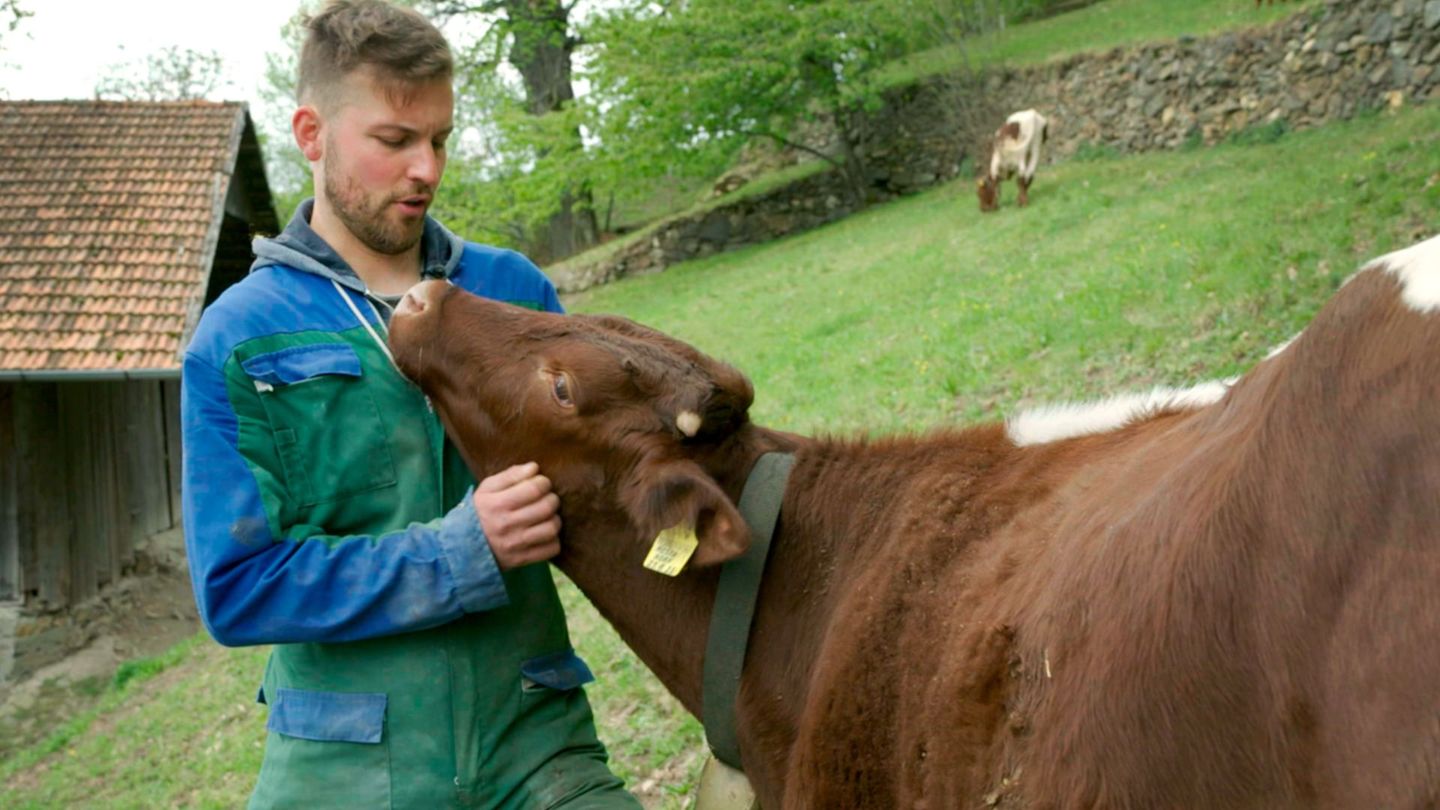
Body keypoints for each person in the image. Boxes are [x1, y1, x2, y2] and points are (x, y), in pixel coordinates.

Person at [180, 2, 640, 807]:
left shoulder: (513, 292)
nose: (426, 167)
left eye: (439, 139)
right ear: (312, 133)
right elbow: (239, 588)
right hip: (342, 764)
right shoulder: (239, 336)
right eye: (394, 141)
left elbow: (608, 490)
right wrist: (459, 552)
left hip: (537, 742)